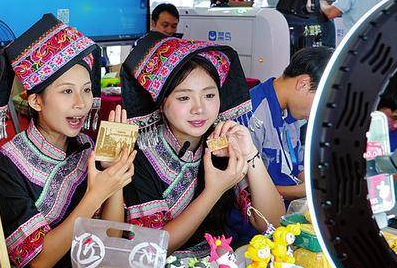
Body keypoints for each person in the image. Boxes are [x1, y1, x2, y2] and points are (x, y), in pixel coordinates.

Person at [0, 14, 136, 268]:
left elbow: (112, 238)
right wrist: (95, 195)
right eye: (67, 92)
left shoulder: (86, 147)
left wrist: (114, 174)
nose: (81, 104)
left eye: (86, 90)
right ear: (35, 100)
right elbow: (40, 262)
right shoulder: (5, 165)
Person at [120, 32, 284, 255]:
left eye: (209, 95)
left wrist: (251, 153)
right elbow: (150, 247)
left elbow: (270, 223)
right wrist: (214, 190)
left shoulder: (221, 143)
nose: (199, 108)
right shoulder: (140, 155)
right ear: (161, 102)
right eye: (184, 98)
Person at [248, 46, 332, 201]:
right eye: (321, 103)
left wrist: (316, 180)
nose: (319, 114)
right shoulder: (253, 115)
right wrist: (303, 191)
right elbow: (247, 193)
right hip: (256, 221)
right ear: (303, 84)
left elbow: (295, 166)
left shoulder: (292, 112)